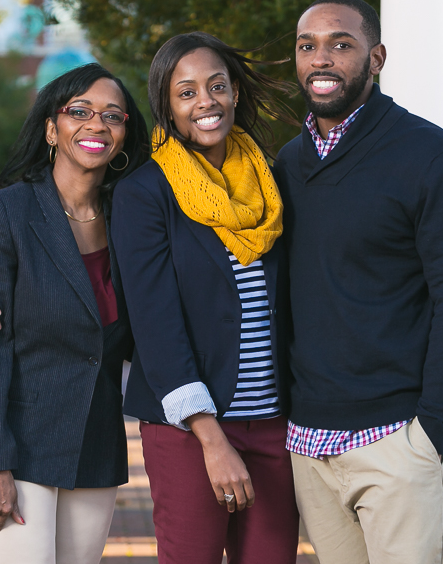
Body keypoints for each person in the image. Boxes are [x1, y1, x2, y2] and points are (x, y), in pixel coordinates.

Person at [274, 0, 443, 564]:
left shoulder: (430, 155)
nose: (321, 59)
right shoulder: (285, 167)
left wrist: (433, 428)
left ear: (376, 58)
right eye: (307, 46)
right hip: (308, 444)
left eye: (341, 44)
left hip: (397, 441)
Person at [0, 63, 151, 563]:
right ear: (52, 128)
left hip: (93, 446)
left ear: (124, 136)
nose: (97, 124)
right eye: (80, 111)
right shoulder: (5, 213)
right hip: (13, 445)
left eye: (113, 116)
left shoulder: (131, 222)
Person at [111, 32, 301, 564]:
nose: (206, 102)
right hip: (188, 431)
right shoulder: (145, 194)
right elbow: (155, 324)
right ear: (167, 108)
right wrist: (211, 440)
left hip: (273, 424)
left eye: (216, 86)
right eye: (187, 92)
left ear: (236, 92)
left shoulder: (269, 181)